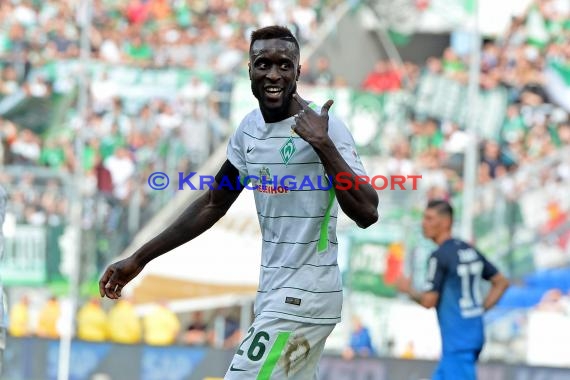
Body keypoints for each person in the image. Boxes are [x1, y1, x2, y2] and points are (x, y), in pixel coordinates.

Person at [99, 25, 378, 379]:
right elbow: (213, 204)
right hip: (275, 295)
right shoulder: (248, 131)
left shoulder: (324, 127)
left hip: (302, 295)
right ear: (250, 69)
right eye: (263, 64)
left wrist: (323, 145)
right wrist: (139, 258)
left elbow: (368, 212)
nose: (273, 74)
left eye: (284, 65)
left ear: (298, 71)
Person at [396, 200, 510, 380]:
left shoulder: (439, 256)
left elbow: (429, 301)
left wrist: (408, 290)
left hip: (457, 340)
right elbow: (501, 282)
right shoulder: (468, 249)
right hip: (472, 333)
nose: (424, 223)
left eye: (429, 218)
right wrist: (479, 310)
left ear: (446, 222)